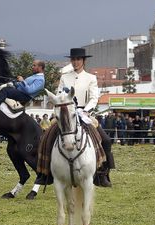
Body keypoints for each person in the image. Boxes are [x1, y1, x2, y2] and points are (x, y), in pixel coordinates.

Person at [37, 48, 115, 188]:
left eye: (78, 59)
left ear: (83, 61)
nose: (75, 62)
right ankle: (44, 173)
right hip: (65, 112)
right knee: (46, 137)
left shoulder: (91, 77)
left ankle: (102, 174)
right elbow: (59, 95)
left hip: (84, 113)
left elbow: (94, 98)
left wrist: (85, 111)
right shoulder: (64, 77)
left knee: (106, 140)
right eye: (73, 59)